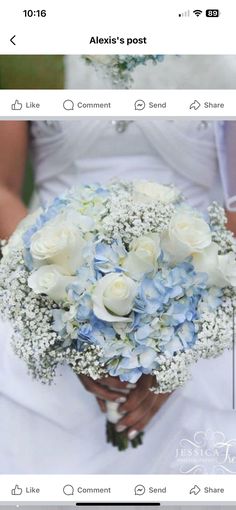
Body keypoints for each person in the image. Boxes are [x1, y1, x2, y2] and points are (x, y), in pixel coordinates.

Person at [0, 119, 235, 474]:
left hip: (199, 295)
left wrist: (175, 354)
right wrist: (64, 321)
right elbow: (3, 186)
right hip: (47, 288)